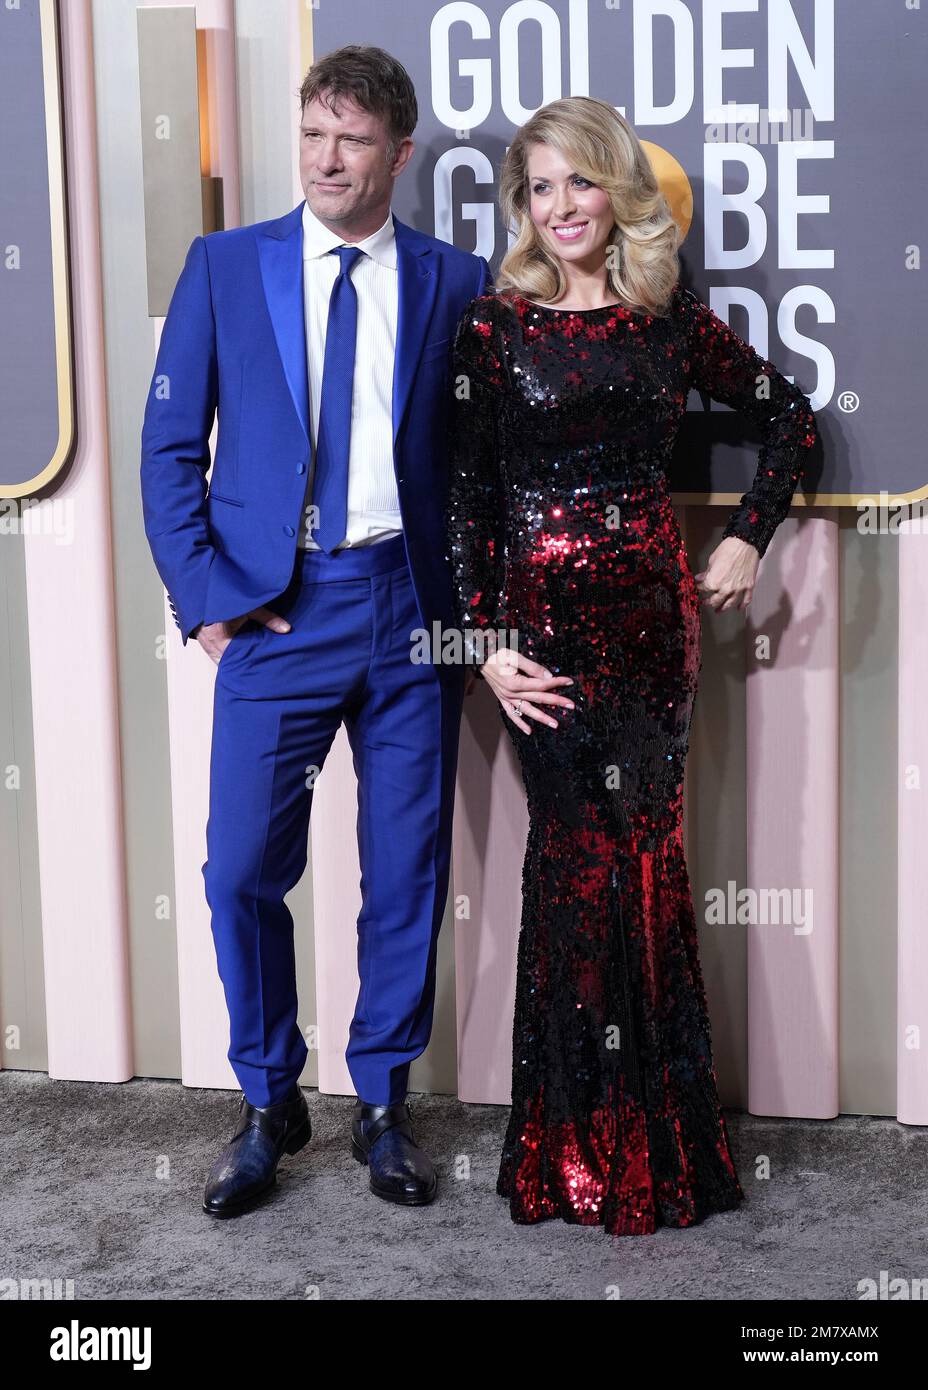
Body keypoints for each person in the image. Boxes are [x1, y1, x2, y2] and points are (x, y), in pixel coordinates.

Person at [445, 95, 819, 1236]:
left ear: (617, 194)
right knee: (571, 867)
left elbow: (790, 419)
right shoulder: (491, 331)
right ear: (523, 206)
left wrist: (749, 533)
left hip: (651, 640)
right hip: (541, 648)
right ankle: (569, 1147)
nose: (559, 206)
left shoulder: (667, 321)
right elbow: (464, 503)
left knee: (644, 865)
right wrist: (484, 648)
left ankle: (657, 1144)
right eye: (539, 188)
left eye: (580, 182)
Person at [140, 46, 489, 1217]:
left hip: (411, 613)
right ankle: (266, 1098)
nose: (326, 159)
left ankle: (382, 1102)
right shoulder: (226, 266)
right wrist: (207, 602)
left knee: (406, 871)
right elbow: (169, 446)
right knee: (239, 867)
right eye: (311, 135)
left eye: (351, 139)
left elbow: (483, 464)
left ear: (398, 152)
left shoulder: (457, 279)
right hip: (277, 611)